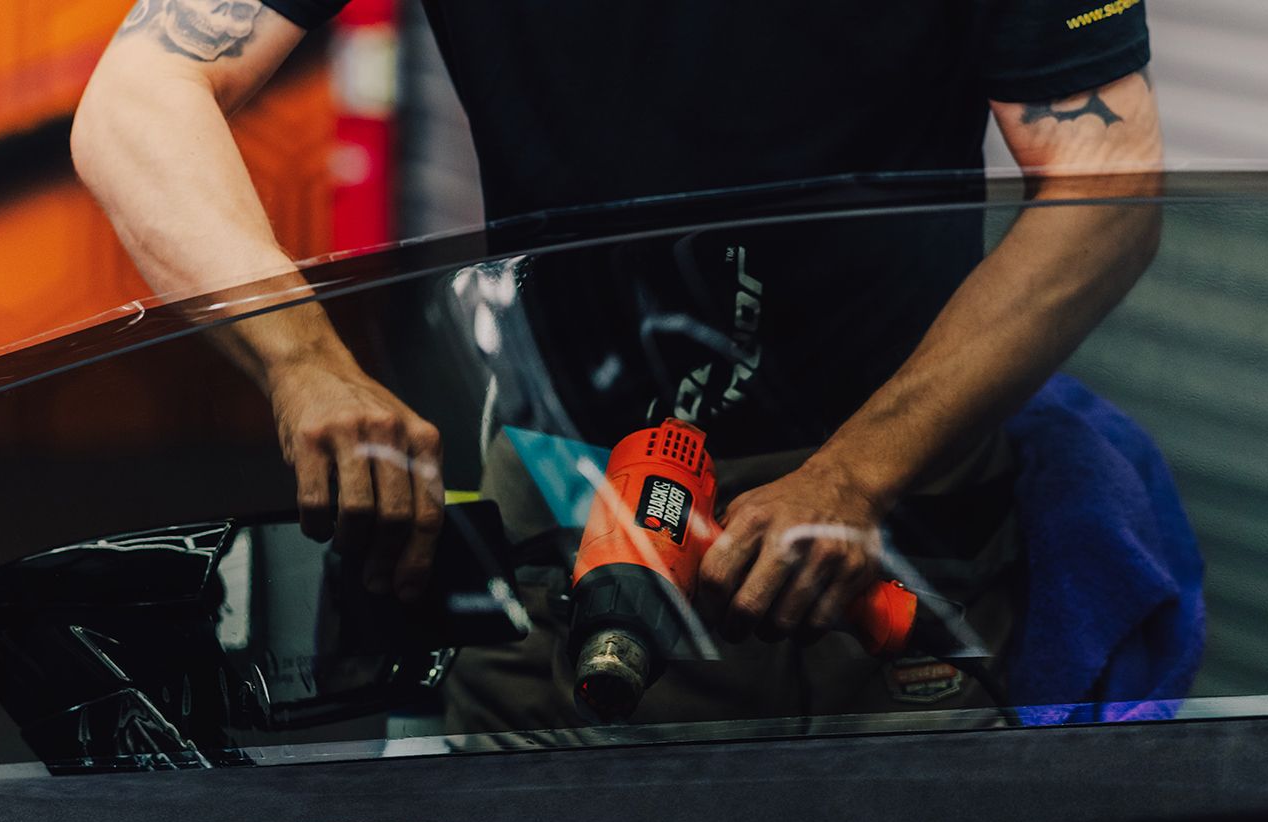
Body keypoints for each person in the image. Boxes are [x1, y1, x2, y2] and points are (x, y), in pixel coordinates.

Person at [72, 0, 1165, 724]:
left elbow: (1105, 184)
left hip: (879, 548)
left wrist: (861, 471)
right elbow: (139, 98)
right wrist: (301, 355)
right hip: (570, 511)